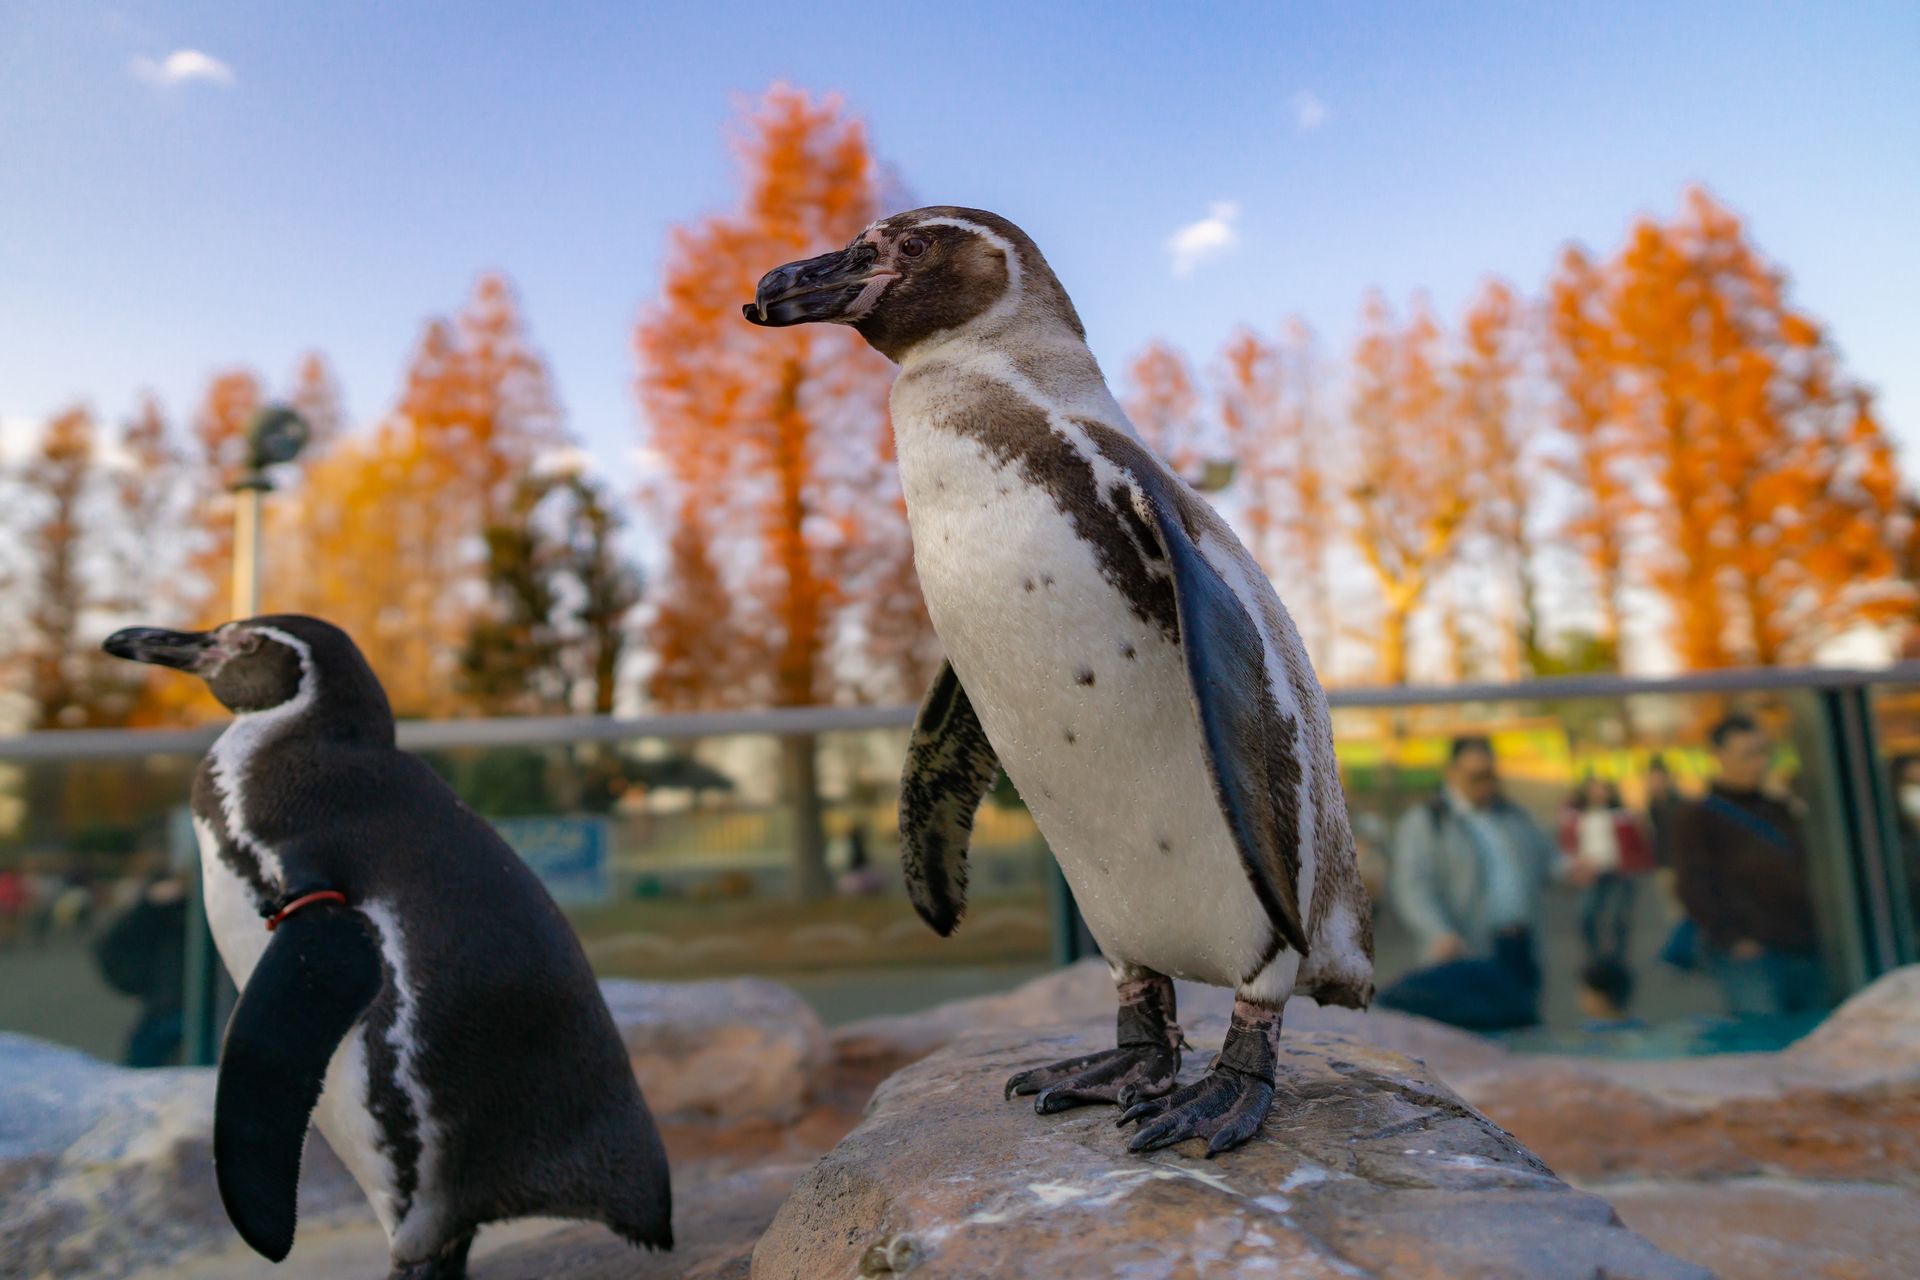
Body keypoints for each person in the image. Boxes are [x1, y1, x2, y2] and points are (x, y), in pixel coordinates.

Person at [1378, 735, 1559, 1031]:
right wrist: (1438, 932)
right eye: (1475, 776)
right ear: (1452, 773)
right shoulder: (1427, 821)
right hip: (1466, 949)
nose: (1485, 784)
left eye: (1490, 775)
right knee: (1476, 1033)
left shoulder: (1512, 814)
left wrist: (1569, 867)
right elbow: (1411, 887)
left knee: (1523, 1026)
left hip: (1519, 945)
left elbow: (1546, 857)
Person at [1672, 712, 1825, 1019]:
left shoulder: (1779, 808)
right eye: (1747, 755)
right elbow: (1692, 883)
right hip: (1751, 952)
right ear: (1720, 756)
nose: (1759, 763)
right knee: (1764, 1035)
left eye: (1763, 753)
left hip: (1802, 943)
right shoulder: (1699, 816)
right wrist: (1733, 938)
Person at [92, 869, 189, 1068]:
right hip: (173, 1003)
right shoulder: (174, 910)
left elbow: (113, 945)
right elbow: (113, 946)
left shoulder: (172, 910)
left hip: (174, 1005)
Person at [1558, 776, 1654, 962]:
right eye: (1594, 788)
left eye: (1603, 788)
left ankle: (1619, 959)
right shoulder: (1577, 816)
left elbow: (1639, 842)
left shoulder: (1622, 816)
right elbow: (1568, 844)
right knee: (1586, 916)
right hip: (1591, 873)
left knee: (1618, 918)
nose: (1598, 793)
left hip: (1619, 871)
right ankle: (1594, 957)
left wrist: (1638, 864)